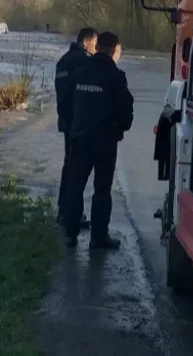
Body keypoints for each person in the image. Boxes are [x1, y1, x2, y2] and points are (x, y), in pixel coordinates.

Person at [61, 31, 134, 250]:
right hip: (105, 142)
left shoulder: (79, 72)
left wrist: (74, 127)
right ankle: (98, 238)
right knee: (102, 190)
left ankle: (70, 234)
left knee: (75, 187)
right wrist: (119, 128)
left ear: (98, 46)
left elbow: (64, 105)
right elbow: (125, 112)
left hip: (79, 139)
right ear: (115, 49)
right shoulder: (116, 77)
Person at [54, 27, 97, 227]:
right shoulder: (84, 62)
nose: (96, 49)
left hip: (66, 122)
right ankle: (71, 216)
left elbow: (62, 96)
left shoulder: (62, 61)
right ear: (86, 42)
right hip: (79, 124)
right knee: (76, 170)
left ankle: (63, 211)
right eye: (95, 44)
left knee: (68, 166)